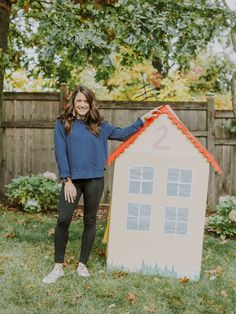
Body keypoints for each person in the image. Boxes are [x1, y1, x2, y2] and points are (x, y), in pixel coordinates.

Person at [42, 85, 159, 284]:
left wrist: (142, 120)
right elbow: (61, 153)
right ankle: (58, 267)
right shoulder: (62, 124)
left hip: (95, 179)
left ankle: (82, 265)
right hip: (73, 181)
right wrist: (66, 180)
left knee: (90, 220)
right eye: (78, 101)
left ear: (90, 104)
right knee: (63, 219)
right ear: (73, 102)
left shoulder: (100, 125)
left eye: (85, 102)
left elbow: (123, 134)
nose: (82, 105)